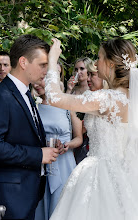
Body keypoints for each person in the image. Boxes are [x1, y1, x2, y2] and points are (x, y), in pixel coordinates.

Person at [46, 38, 138, 219]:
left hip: (99, 176)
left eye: (99, 58)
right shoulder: (133, 98)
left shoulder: (106, 99)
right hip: (125, 174)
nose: (95, 63)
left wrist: (52, 61)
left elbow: (54, 98)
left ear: (110, 64)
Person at [0, 34, 59, 220]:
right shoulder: (0, 96)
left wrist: (46, 147)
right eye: (42, 64)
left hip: (26, 191)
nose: (46, 70)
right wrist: (38, 154)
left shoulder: (25, 93)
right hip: (8, 195)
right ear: (23, 62)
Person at [33, 67, 83, 220]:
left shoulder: (68, 105)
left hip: (63, 164)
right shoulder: (34, 107)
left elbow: (79, 138)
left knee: (63, 208)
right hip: (40, 165)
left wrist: (68, 145)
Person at [73, 59, 107, 164]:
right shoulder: (89, 95)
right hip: (91, 156)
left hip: (106, 158)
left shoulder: (104, 98)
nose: (88, 79)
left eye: (92, 75)